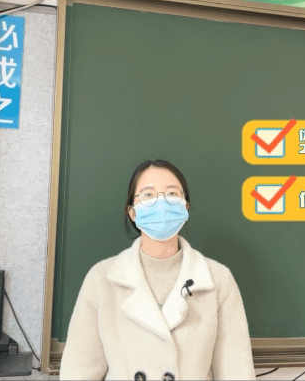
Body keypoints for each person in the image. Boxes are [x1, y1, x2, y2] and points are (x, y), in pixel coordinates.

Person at [59, 159, 256, 380]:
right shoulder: (101, 278)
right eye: (148, 195)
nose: (161, 203)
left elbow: (236, 370)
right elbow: (79, 370)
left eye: (172, 193)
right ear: (132, 212)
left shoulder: (217, 279)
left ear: (185, 206)